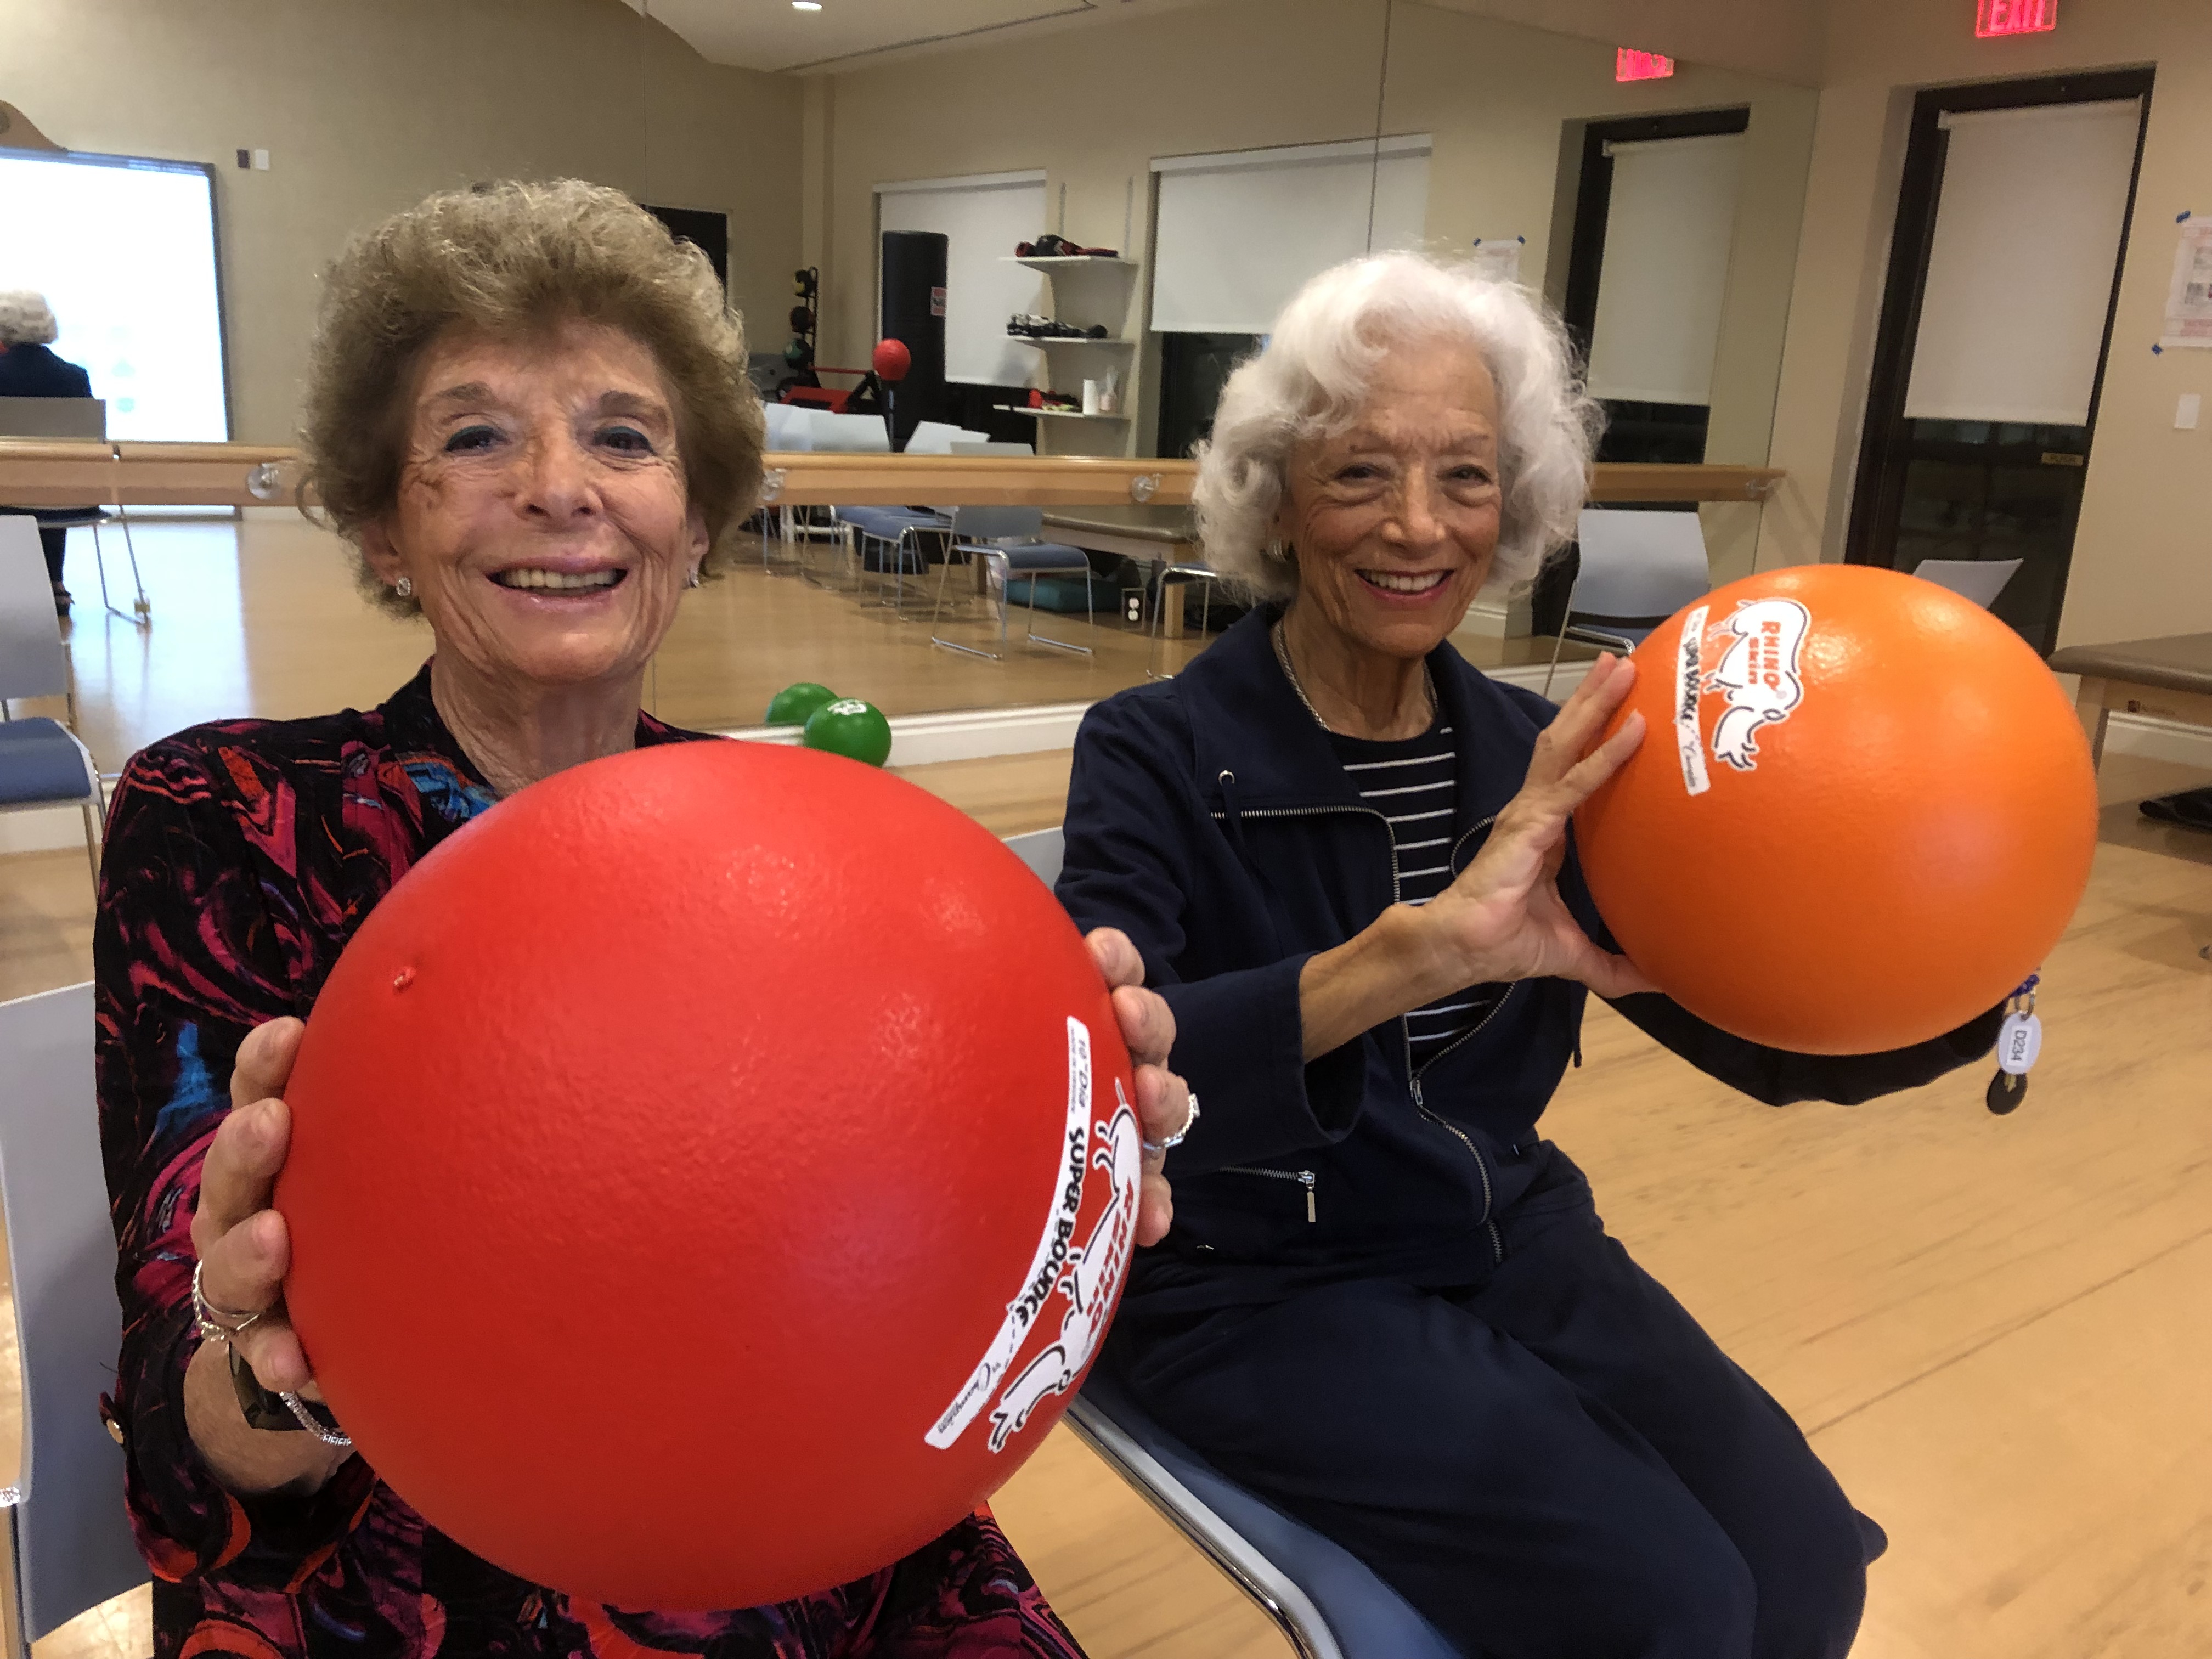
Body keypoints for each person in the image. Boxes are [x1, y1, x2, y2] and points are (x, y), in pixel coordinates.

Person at [95, 179, 1194, 1659]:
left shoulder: (797, 847)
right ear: (377, 518)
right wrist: (285, 1371)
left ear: (695, 518)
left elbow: (933, 1289)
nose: (563, 486)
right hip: (403, 1572)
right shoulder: (226, 816)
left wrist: (1070, 1170)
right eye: (477, 435)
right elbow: (181, 1420)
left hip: (823, 1528)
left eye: (623, 435)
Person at [1053, 253, 2003, 1659]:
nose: (1418, 527)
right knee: (1672, 1607)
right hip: (1247, 1279)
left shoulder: (1538, 758)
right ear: (1276, 495)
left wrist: (1951, 980)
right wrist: (1416, 954)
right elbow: (1118, 1086)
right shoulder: (1156, 750)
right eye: (1361, 472)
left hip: (1502, 1229)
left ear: (1519, 503)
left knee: (1807, 1571)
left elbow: (1738, 1020)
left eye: (1468, 477)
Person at [0, 287, 94, 612]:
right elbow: (83, 448)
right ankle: (55, 584)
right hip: (68, 500)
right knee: (51, 476)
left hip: (4, 495)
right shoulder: (75, 377)